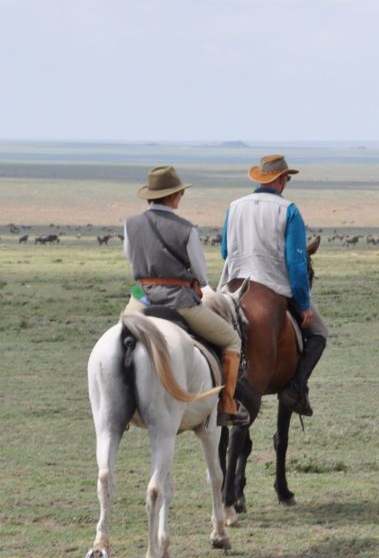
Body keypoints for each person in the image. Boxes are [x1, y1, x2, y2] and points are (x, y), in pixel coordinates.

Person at [123, 166, 249, 426]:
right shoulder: (186, 228)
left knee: (121, 335)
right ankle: (227, 404)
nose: (180, 198)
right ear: (171, 197)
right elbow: (201, 275)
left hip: (141, 297)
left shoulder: (131, 224)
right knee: (232, 339)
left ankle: (121, 403)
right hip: (180, 302)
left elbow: (129, 255)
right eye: (179, 194)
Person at [220, 155, 327, 416]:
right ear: (280, 179)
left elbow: (225, 251)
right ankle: (296, 388)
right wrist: (302, 305)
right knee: (319, 334)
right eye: (286, 178)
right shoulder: (288, 210)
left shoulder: (234, 207)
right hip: (272, 282)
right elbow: (297, 264)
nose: (286, 182)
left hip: (230, 288)